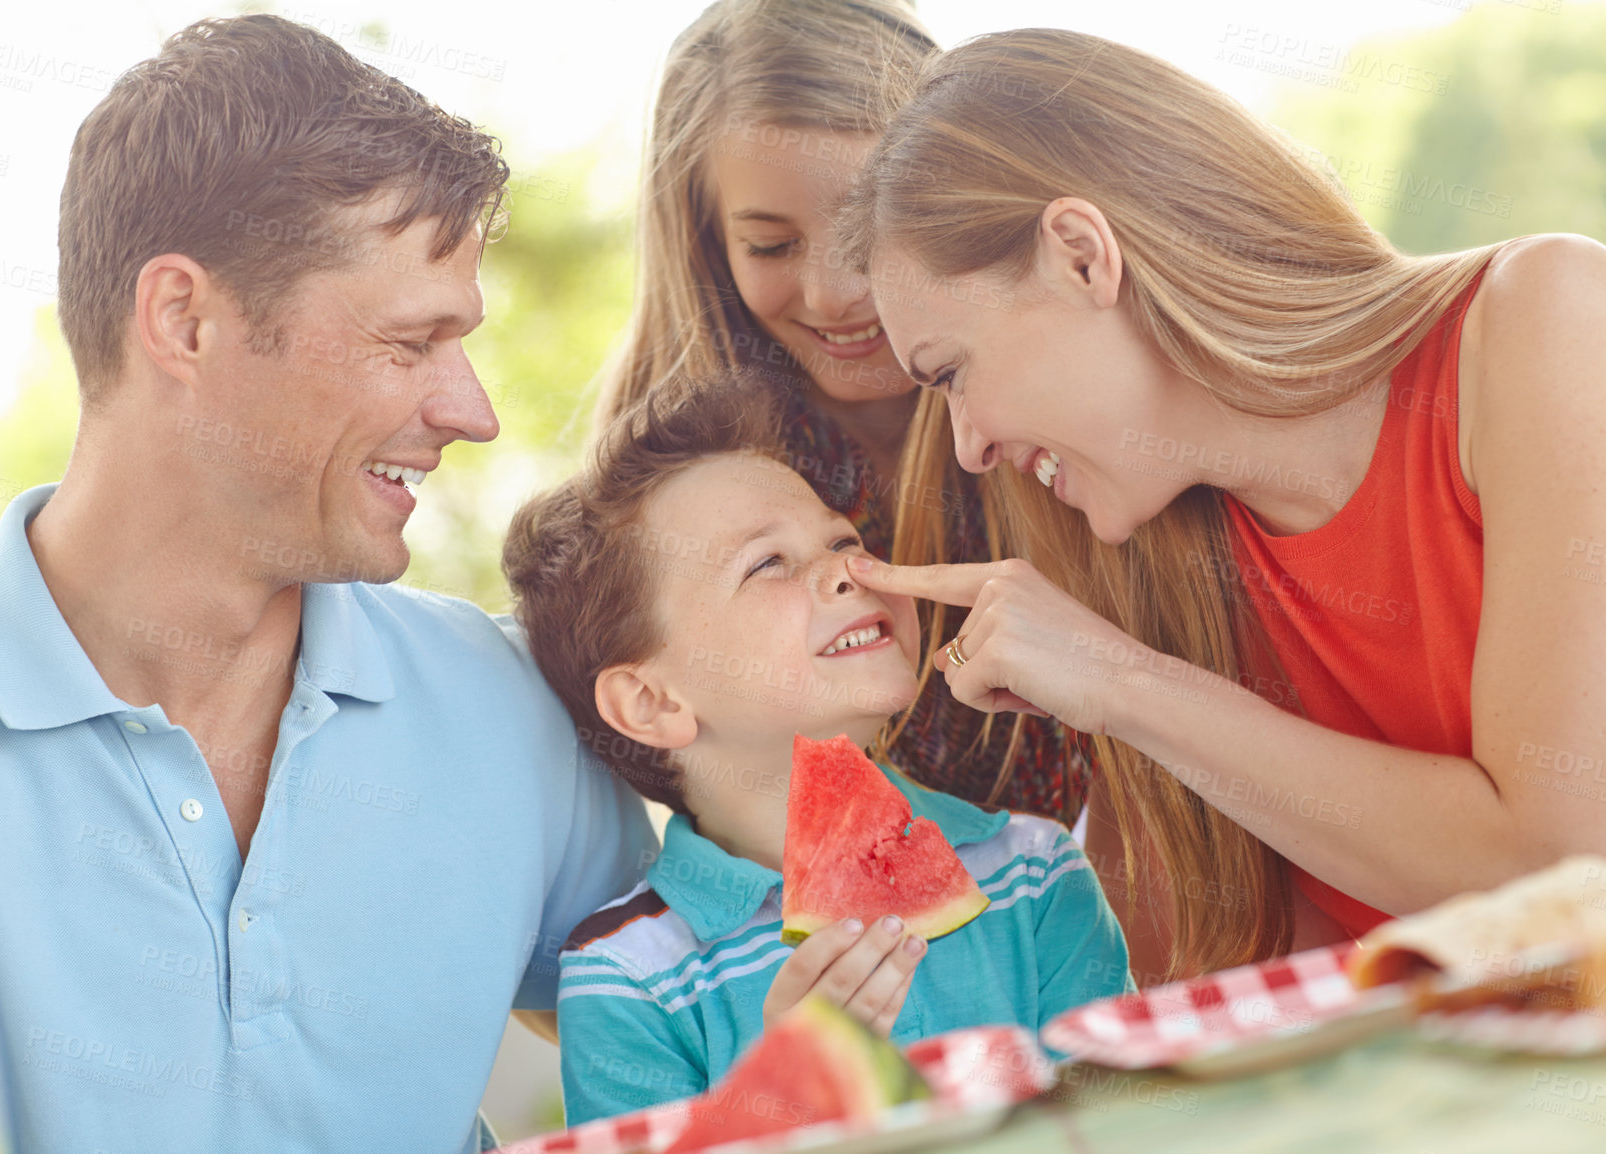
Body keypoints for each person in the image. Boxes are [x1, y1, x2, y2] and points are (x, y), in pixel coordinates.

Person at [0, 16, 654, 1152]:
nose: (471, 411)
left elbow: (702, 1017)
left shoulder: (507, 703)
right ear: (185, 319)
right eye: (409, 342)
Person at [835, 28, 1606, 982]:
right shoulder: (1170, 569)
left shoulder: (1548, 320)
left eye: (950, 373)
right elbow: (1193, 1013)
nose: (968, 447)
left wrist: (1125, 682)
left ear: (1082, 256)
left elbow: (1568, 879)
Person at [503, 379, 1132, 1123]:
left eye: (843, 541)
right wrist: (777, 1103)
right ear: (653, 703)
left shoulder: (1033, 874)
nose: (845, 569)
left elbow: (1121, 1127)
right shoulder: (627, 977)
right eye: (767, 563)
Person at [595, 0, 1088, 824]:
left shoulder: (1085, 408)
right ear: (708, 245)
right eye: (772, 245)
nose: (833, 294)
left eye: (869, 228)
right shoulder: (667, 485)